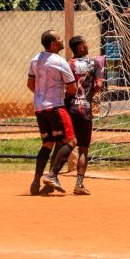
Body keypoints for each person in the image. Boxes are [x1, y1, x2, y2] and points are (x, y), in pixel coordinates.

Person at [43, 36, 104, 196]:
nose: (87, 46)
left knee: (61, 145)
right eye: (85, 44)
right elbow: (99, 85)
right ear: (81, 48)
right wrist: (90, 93)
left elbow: (63, 84)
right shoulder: (94, 63)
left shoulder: (68, 63)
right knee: (83, 149)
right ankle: (79, 184)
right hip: (85, 109)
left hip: (69, 107)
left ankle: (52, 177)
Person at [27, 30, 77, 196]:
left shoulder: (35, 60)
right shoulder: (60, 61)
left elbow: (30, 84)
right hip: (56, 107)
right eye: (59, 38)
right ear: (53, 44)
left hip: (39, 108)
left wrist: (41, 96)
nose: (62, 40)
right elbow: (72, 88)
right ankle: (53, 175)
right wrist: (61, 96)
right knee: (70, 141)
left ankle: (36, 181)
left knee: (47, 144)